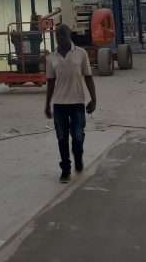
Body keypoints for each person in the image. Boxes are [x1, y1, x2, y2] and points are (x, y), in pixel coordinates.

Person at [44, 24, 97, 183]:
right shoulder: (51, 58)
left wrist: (94, 99)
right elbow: (50, 82)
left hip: (77, 103)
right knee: (61, 138)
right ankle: (65, 170)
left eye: (63, 35)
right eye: (57, 36)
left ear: (69, 36)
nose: (60, 38)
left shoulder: (81, 53)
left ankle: (78, 156)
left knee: (78, 136)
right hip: (59, 104)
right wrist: (47, 104)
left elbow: (88, 77)